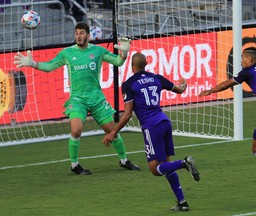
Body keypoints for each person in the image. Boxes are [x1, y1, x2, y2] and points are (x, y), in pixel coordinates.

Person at [14, 22, 140, 175]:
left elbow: (118, 62)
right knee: (76, 130)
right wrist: (32, 63)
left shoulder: (98, 51)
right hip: (77, 99)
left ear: (88, 35)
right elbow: (49, 66)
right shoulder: (67, 53)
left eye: (81, 33)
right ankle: (75, 165)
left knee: (112, 131)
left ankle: (124, 160)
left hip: (96, 99)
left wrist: (125, 53)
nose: (78, 36)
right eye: (76, 33)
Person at [103, 53, 200, 211]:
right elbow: (181, 90)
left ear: (132, 66)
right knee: (166, 166)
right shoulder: (157, 78)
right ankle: (182, 202)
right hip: (164, 122)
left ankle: (184, 163)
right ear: (146, 63)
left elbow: (127, 114)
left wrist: (113, 132)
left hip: (151, 127)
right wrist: (184, 84)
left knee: (155, 170)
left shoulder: (129, 84)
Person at [199, 46, 256, 156]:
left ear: (249, 59)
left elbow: (227, 84)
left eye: (242, 58)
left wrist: (210, 91)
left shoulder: (247, 71)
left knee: (254, 148)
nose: (241, 61)